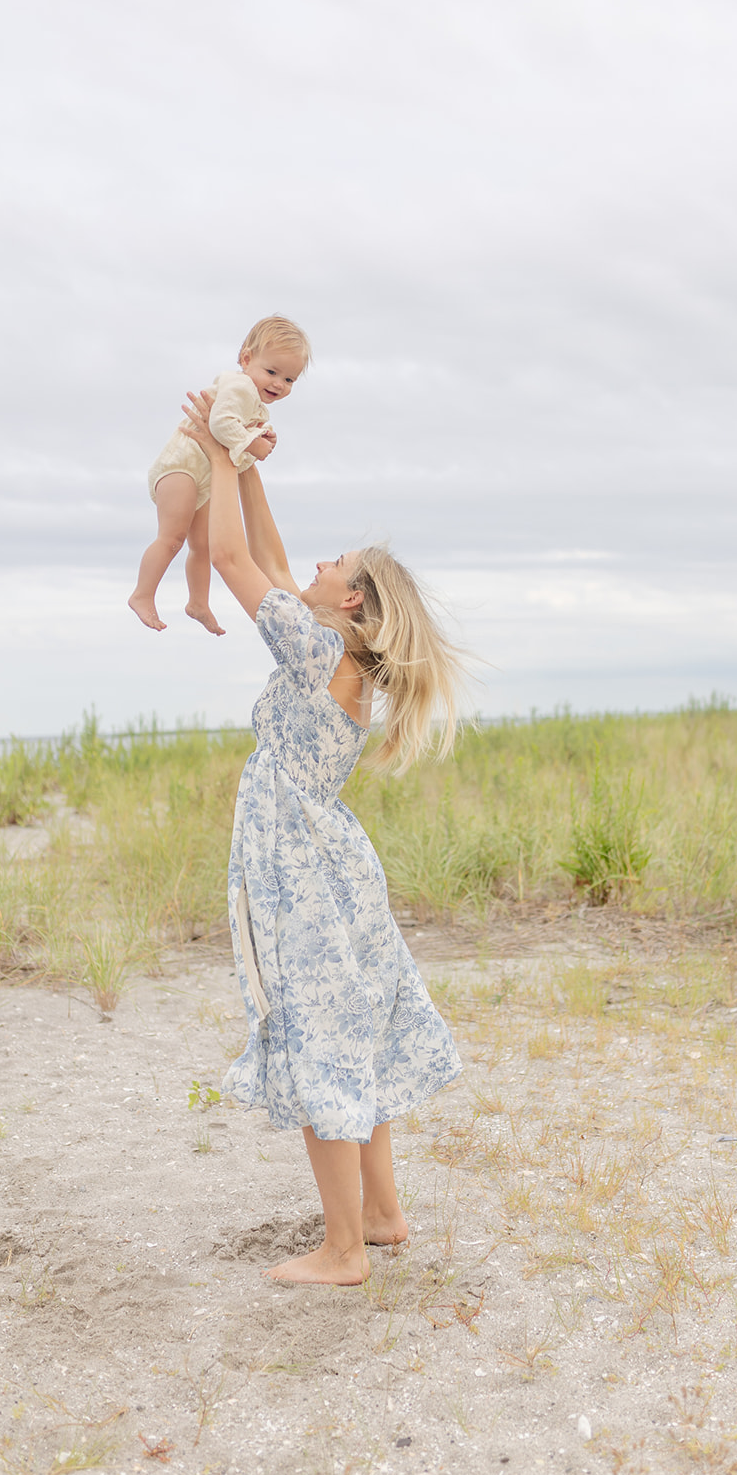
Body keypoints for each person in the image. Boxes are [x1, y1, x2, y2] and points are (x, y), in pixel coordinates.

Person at [179, 388, 464, 1286]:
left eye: (334, 561)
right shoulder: (339, 656)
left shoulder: (314, 652)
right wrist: (251, 467)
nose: (315, 559)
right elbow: (262, 549)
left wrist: (217, 449)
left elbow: (228, 555)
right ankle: (380, 1216)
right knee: (355, 1029)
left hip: (299, 867)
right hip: (328, 861)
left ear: (351, 598)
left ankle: (344, 1254)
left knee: (319, 1038)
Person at [129, 316, 311, 636]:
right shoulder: (238, 386)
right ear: (246, 359)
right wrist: (252, 443)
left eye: (290, 380)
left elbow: (231, 452)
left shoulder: (255, 404)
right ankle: (142, 594)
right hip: (180, 469)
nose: (279, 384)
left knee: (203, 545)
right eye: (272, 372)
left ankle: (198, 602)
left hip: (202, 477)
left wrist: (259, 437)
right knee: (172, 539)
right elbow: (220, 426)